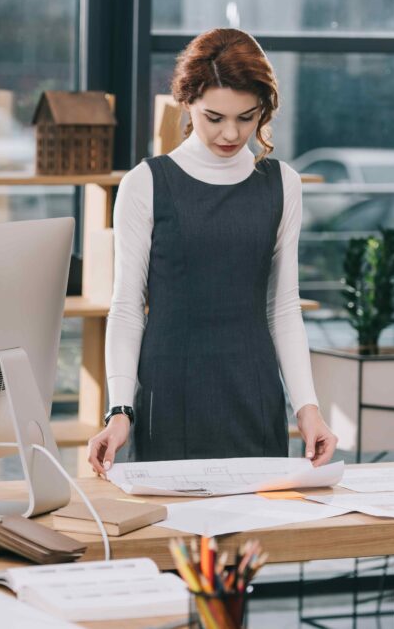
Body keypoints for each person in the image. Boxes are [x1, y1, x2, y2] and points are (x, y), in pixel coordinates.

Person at [87, 28, 338, 475]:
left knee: (256, 539)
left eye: (247, 117)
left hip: (253, 393)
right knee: (178, 541)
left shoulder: (283, 185)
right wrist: (119, 409)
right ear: (187, 102)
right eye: (214, 117)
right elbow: (126, 307)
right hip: (169, 393)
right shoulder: (146, 183)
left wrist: (307, 407)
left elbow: (282, 308)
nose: (231, 133)